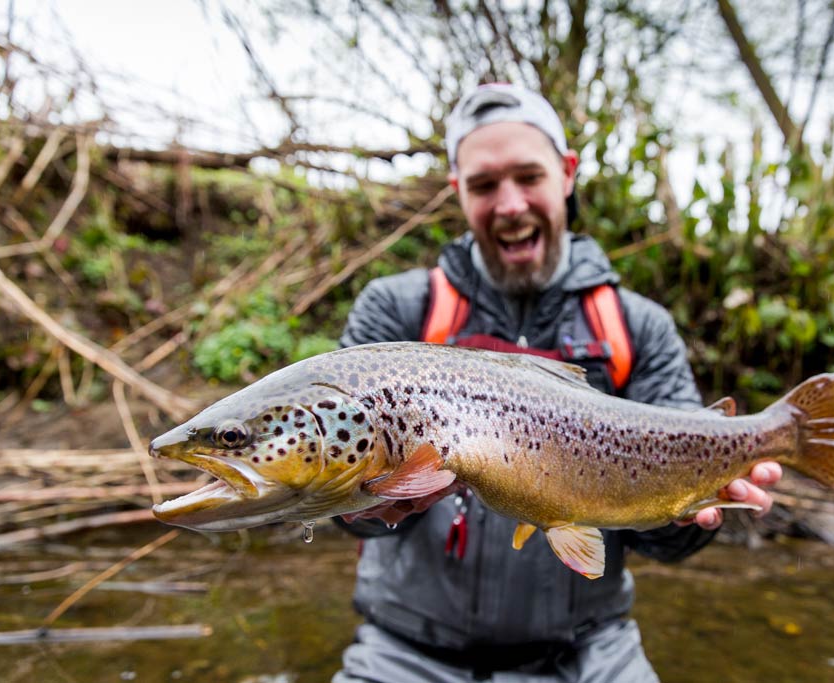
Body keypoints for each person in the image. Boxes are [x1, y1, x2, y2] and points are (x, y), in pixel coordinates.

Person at [331, 83, 782, 683]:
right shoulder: (397, 313)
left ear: (567, 174)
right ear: (456, 191)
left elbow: (664, 541)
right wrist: (377, 494)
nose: (511, 204)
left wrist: (685, 511)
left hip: (589, 655)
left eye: (529, 176)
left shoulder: (637, 327)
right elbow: (341, 506)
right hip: (407, 652)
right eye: (485, 185)